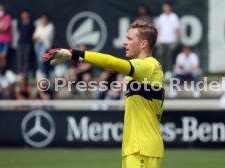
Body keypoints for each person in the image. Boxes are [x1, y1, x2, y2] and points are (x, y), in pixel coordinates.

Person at [42, 20, 164, 168]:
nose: (124, 42)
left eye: (129, 38)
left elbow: (110, 62)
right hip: (135, 148)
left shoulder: (149, 65)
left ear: (143, 43)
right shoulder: (139, 73)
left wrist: (73, 54)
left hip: (142, 149)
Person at [156, 2, 179, 74]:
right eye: (164, 7)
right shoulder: (161, 17)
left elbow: (176, 29)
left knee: (169, 56)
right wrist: (158, 38)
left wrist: (175, 38)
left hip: (170, 40)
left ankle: (168, 71)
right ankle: (161, 70)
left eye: (166, 7)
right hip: (162, 40)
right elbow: (159, 28)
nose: (165, 8)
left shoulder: (174, 16)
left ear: (170, 7)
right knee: (160, 55)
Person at [33, 14, 54, 80]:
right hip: (38, 45)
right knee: (39, 59)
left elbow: (46, 36)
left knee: (41, 59)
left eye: (45, 18)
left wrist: (40, 37)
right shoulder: (39, 26)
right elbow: (34, 37)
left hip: (46, 45)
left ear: (47, 19)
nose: (43, 20)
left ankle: (43, 73)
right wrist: (40, 38)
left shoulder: (51, 26)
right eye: (42, 18)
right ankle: (41, 73)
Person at [0, 4, 12, 75]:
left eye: (1, 9)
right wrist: (0, 28)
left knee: (3, 57)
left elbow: (5, 28)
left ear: (4, 10)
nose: (0, 11)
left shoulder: (7, 17)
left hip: (6, 40)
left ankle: (3, 72)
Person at [17, 9, 35, 75]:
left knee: (26, 58)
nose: (24, 15)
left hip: (28, 43)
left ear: (28, 15)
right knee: (20, 58)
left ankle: (25, 73)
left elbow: (33, 34)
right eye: (23, 14)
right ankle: (20, 73)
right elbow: (18, 33)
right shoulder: (20, 23)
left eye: (25, 14)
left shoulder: (31, 24)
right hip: (20, 43)